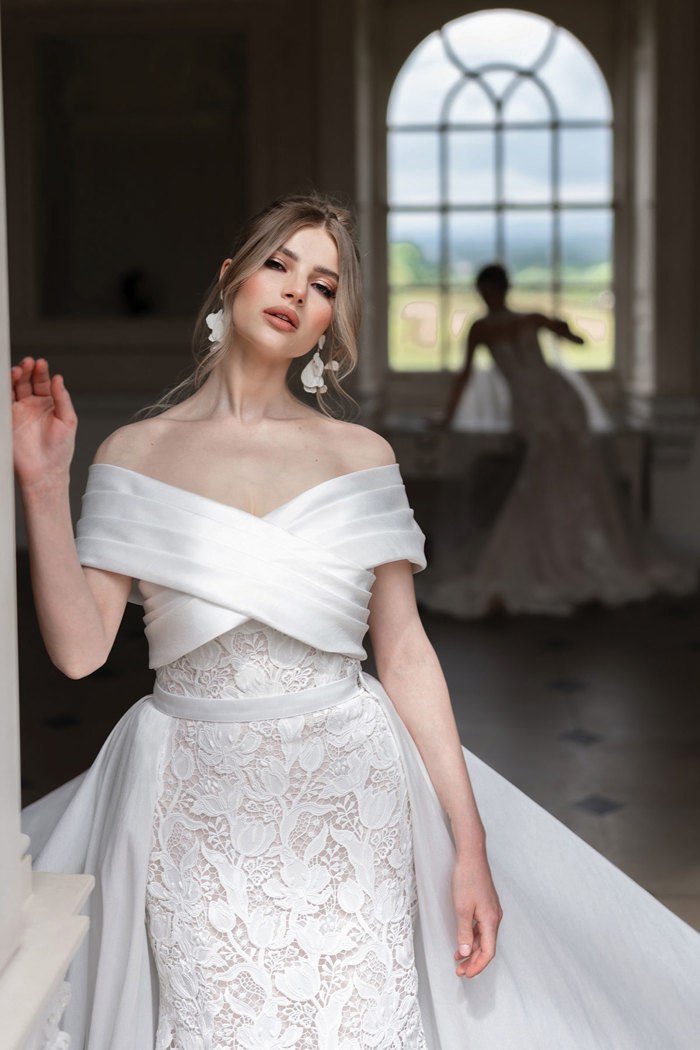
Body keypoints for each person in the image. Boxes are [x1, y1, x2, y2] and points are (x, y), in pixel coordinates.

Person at [14, 200, 700, 1049]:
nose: (298, 291)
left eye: (324, 283)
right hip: (194, 802)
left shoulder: (362, 456)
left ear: (330, 324)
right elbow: (80, 654)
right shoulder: (133, 452)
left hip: (351, 796)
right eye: (280, 266)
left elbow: (405, 652)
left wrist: (470, 843)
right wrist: (45, 488)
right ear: (230, 278)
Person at [422, 263, 696, 617]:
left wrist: (563, 328)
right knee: (541, 473)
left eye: (493, 290)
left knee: (578, 474)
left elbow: (578, 341)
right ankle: (549, 554)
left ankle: (585, 553)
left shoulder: (531, 318)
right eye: (485, 291)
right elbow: (465, 374)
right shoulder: (483, 328)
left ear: (503, 290)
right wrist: (447, 417)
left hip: (561, 401)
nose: (489, 297)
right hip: (530, 409)